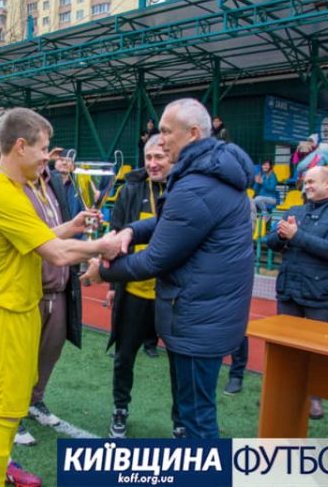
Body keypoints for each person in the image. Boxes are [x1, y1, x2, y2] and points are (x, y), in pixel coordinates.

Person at [82, 98, 254, 440]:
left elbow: (155, 259)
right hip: (208, 311)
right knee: (195, 412)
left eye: (165, 131)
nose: (159, 140)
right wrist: (132, 231)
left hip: (198, 316)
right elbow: (171, 221)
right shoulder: (209, 173)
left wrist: (103, 272)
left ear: (193, 134)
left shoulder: (197, 184)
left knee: (196, 419)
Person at [0, 107, 121, 486]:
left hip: (22, 308)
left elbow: (36, 238)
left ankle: (2, 467)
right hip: (5, 314)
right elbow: (54, 254)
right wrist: (102, 246)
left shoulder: (14, 188)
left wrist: (71, 226)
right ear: (21, 146)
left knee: (15, 403)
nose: (47, 157)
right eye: (44, 148)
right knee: (5, 411)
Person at [15, 157, 91, 446]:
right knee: (20, 356)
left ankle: (35, 400)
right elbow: (33, 239)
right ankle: (12, 412)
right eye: (43, 147)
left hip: (59, 287)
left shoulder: (54, 183)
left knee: (49, 352)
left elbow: (62, 229)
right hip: (29, 289)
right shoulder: (14, 185)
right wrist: (96, 249)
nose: (48, 156)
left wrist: (80, 229)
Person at [266, 166, 328, 419]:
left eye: (313, 182)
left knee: (315, 349)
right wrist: (281, 236)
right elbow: (271, 242)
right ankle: (281, 391)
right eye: (306, 182)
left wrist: (296, 235)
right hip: (288, 288)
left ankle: (315, 398)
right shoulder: (295, 211)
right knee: (284, 348)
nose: (308, 186)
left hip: (317, 292)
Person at [104, 134, 171, 438]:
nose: (153, 163)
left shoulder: (183, 189)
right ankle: (120, 409)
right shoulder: (130, 189)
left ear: (172, 157)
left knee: (179, 363)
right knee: (124, 357)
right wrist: (113, 284)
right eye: (148, 157)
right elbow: (116, 234)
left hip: (170, 295)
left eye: (160, 157)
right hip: (133, 292)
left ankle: (181, 421)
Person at [53, 153, 81, 219]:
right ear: (55, 164)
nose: (64, 163)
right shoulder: (45, 183)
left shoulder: (78, 187)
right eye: (61, 160)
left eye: (68, 160)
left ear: (73, 167)